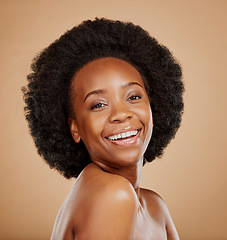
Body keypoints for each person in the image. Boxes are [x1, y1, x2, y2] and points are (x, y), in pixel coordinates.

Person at [23, 18, 184, 240]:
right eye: (98, 104)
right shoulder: (112, 195)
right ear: (75, 128)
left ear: (153, 109)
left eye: (134, 97)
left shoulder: (155, 207)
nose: (121, 114)